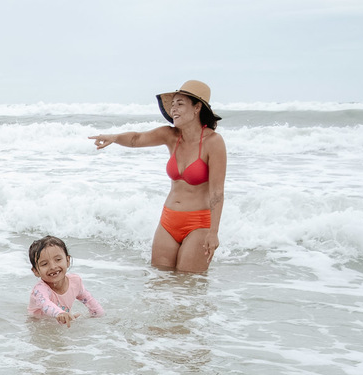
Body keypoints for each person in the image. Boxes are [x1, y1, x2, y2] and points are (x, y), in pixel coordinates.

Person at [89, 80, 227, 273]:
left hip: (198, 224)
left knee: (188, 285)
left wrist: (214, 232)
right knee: (159, 283)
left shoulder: (214, 142)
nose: (174, 109)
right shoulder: (170, 135)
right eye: (172, 105)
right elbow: (137, 139)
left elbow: (217, 192)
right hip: (168, 221)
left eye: (180, 104)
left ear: (197, 107)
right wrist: (114, 137)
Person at [27, 235, 104, 327]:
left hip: (61, 321)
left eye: (58, 260)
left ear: (67, 261)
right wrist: (60, 313)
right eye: (44, 264)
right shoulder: (39, 290)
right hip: (39, 326)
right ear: (35, 271)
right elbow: (45, 304)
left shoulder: (75, 282)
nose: (53, 266)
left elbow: (90, 301)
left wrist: (100, 317)